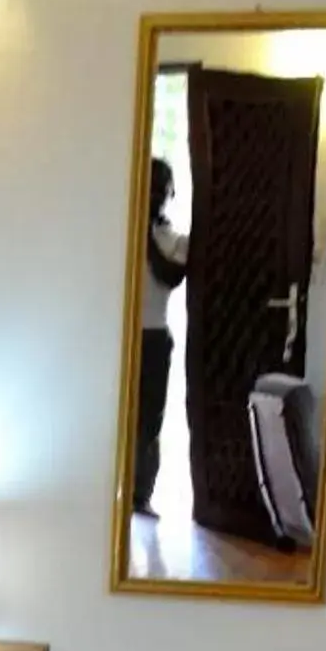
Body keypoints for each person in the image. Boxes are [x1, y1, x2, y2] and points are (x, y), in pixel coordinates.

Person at [136, 157, 189, 517]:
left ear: (170, 193)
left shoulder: (175, 240)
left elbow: (171, 276)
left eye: (161, 187)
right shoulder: (117, 225)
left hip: (154, 338)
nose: (155, 194)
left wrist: (147, 237)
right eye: (149, 185)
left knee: (149, 422)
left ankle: (141, 495)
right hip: (116, 338)